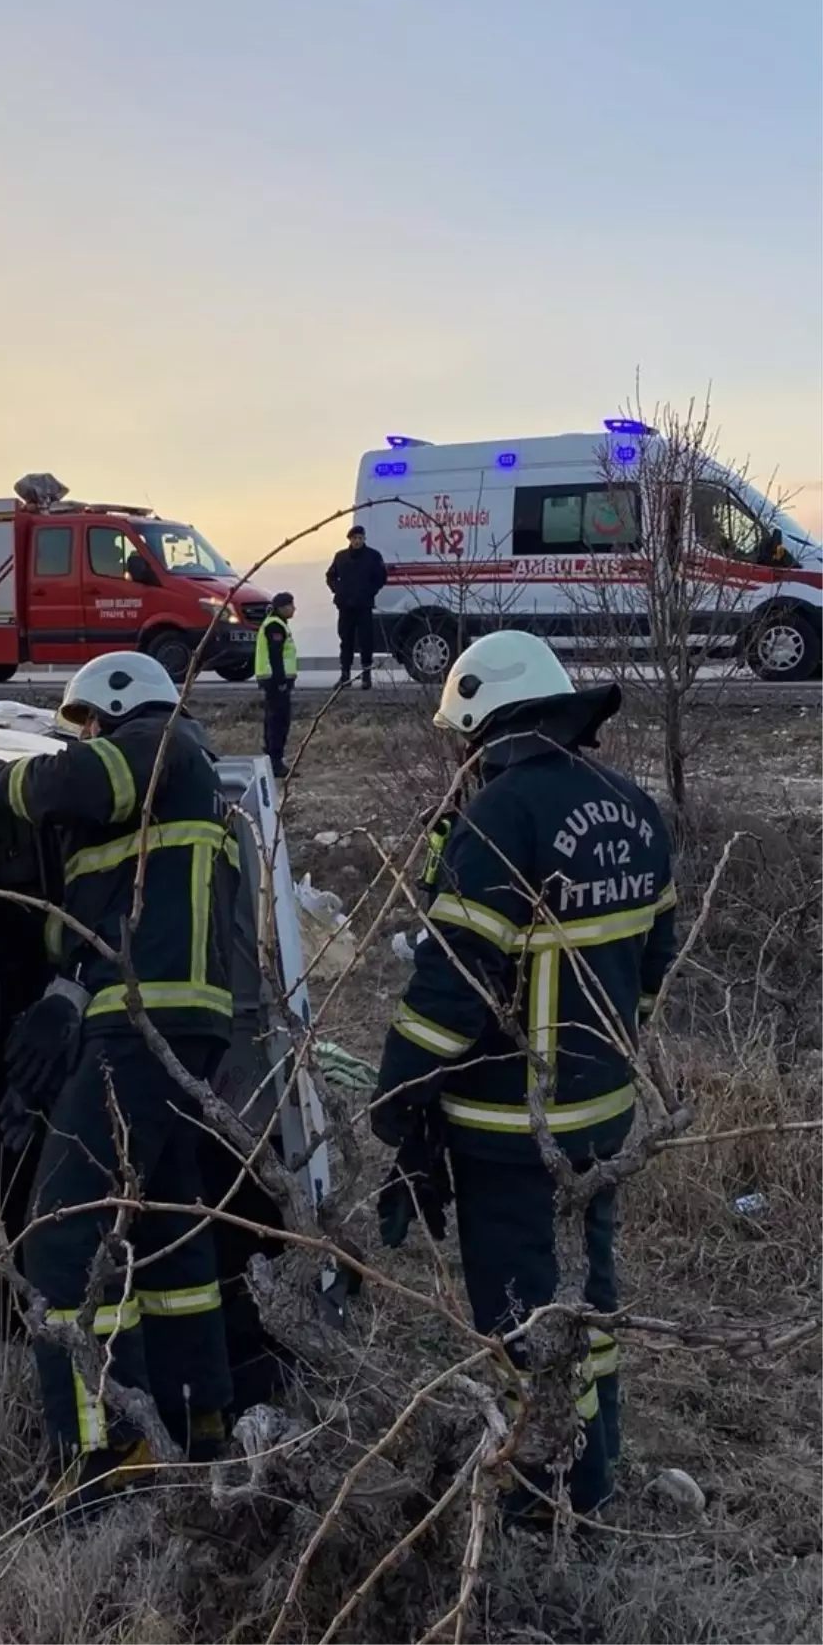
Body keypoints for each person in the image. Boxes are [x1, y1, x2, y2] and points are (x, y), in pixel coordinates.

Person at [369, 631, 676, 1522]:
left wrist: (397, 1101)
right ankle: (594, 1472)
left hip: (510, 1129)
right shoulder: (633, 805)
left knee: (520, 1319)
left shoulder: (501, 816)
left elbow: (453, 988)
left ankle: (541, 1500)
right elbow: (654, 965)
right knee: (588, 1302)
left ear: (482, 724)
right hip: (603, 1115)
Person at [0, 652, 239, 1505]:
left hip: (142, 1024)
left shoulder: (160, 742)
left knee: (63, 1236)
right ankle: (198, 1417)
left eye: (83, 726)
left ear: (109, 708)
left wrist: (2, 780)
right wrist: (65, 995)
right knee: (166, 1227)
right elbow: (112, 921)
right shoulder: (179, 785)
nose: (80, 741)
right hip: (169, 1024)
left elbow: (72, 782)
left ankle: (103, 1455)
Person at [326, 525, 386, 690]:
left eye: (360, 538)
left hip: (364, 605)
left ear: (364, 539)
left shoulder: (373, 556)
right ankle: (345, 675)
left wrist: (370, 592)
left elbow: (381, 578)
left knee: (366, 640)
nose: (357, 541)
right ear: (350, 540)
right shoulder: (341, 557)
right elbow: (330, 576)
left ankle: (366, 676)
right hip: (345, 605)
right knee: (346, 640)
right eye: (354, 538)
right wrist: (337, 589)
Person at [254, 592, 297, 779]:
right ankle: (275, 761)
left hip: (274, 679)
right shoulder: (275, 626)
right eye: (290, 605)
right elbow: (275, 656)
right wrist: (280, 681)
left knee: (274, 720)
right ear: (281, 608)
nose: (294, 609)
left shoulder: (276, 623)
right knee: (279, 721)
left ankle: (273, 759)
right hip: (275, 680)